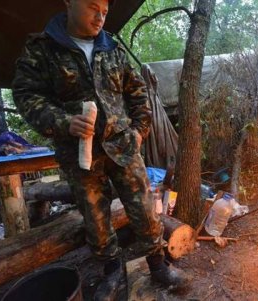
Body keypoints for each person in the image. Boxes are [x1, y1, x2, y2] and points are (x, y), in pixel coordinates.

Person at [12, 0, 187, 299]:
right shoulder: (42, 49)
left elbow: (138, 93)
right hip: (80, 154)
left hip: (123, 146)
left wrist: (139, 133)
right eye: (93, 7)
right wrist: (63, 122)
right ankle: (111, 272)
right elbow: (25, 95)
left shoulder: (112, 48)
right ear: (69, 3)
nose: (100, 17)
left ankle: (158, 265)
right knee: (96, 219)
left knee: (145, 209)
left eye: (105, 12)